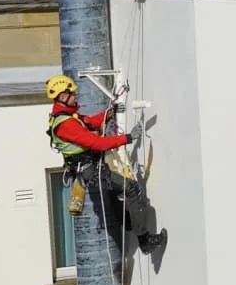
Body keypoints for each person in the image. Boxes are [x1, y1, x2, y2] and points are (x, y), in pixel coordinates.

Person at [45, 74, 167, 255]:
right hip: (91, 171)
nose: (75, 96)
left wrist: (108, 113)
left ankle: (127, 220)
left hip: (90, 169)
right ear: (63, 96)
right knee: (131, 189)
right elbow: (95, 143)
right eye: (72, 94)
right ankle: (145, 241)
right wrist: (127, 138)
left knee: (115, 194)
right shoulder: (66, 124)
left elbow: (88, 122)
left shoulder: (65, 116)